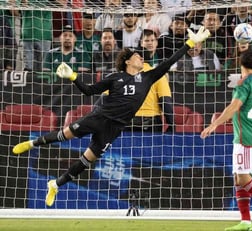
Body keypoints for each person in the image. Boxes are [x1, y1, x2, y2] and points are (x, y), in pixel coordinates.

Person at [12, 26, 211, 207]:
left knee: (87, 161)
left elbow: (169, 62)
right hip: (99, 117)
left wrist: (190, 43)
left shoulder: (148, 77)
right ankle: (32, 144)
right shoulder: (115, 78)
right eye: (137, 56)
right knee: (65, 135)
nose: (141, 58)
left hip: (114, 128)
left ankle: (55, 184)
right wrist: (73, 76)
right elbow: (89, 91)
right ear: (127, 61)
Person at [200, 49, 252, 231]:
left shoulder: (243, 83)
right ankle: (246, 221)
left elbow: (234, 106)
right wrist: (250, 114)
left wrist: (215, 124)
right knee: (238, 179)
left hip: (245, 137)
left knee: (243, 177)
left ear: (241, 64)